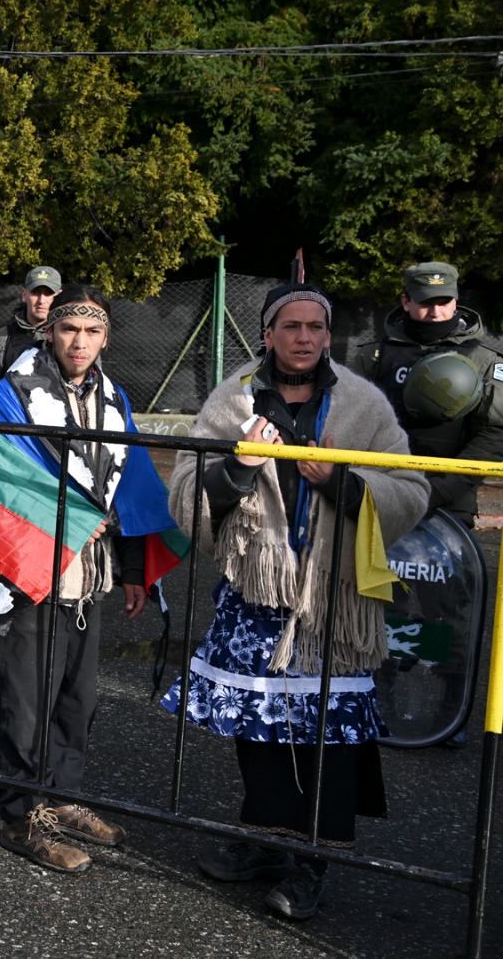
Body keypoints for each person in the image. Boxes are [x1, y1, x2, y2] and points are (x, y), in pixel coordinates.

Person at [162, 283, 428, 921]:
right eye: (291, 326)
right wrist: (238, 468)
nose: (304, 337)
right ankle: (264, 841)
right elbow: (184, 488)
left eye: (315, 326)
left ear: (328, 335)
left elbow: (412, 490)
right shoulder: (233, 397)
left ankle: (314, 861)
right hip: (256, 589)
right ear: (268, 333)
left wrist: (339, 480)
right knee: (256, 726)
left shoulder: (364, 404)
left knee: (328, 735)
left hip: (332, 596)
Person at [0, 283, 181, 874]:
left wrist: (130, 568)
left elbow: (133, 482)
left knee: (77, 697)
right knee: (25, 698)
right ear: (50, 331)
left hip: (89, 575)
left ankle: (64, 797)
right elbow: (1, 476)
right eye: (70, 329)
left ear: (105, 338)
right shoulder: (12, 394)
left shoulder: (113, 397)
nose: (80, 341)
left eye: (93, 331)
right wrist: (75, 519)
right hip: (30, 570)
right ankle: (23, 816)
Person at [347, 261, 503, 526]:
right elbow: (350, 420)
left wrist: (440, 490)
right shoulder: (373, 356)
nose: (436, 311)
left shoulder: (485, 362)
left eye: (444, 302)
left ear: (456, 301)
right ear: (406, 301)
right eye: (426, 302)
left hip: (450, 505)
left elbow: (494, 433)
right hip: (382, 494)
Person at [0, 265, 61, 401]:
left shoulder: (70, 338)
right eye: (35, 292)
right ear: (24, 295)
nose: (41, 300)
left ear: (59, 297)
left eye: (48, 293)